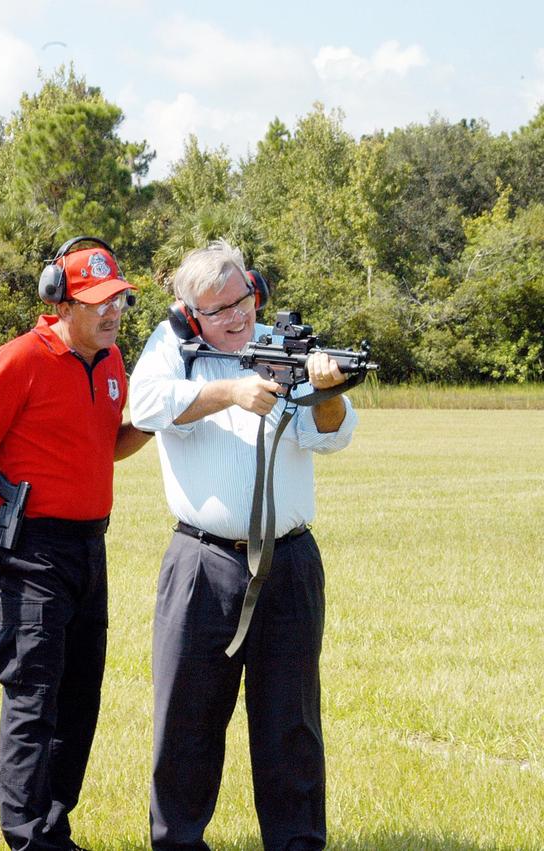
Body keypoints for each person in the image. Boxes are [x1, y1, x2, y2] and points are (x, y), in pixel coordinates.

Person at [128, 239, 358, 850]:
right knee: (186, 721)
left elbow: (330, 437)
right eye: (219, 309)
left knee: (292, 723)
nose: (237, 316)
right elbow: (142, 404)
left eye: (243, 299)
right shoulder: (172, 347)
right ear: (190, 314)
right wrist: (228, 392)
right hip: (201, 560)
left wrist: (326, 390)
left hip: (289, 560)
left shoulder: (286, 350)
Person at [0, 237, 152, 851]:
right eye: (97, 302)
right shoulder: (17, 361)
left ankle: (54, 827)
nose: (111, 312)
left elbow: (108, 442)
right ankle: (28, 838)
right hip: (31, 549)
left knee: (80, 693)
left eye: (117, 299)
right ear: (60, 301)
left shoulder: (111, 361)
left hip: (90, 548)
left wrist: (160, 418)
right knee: (34, 694)